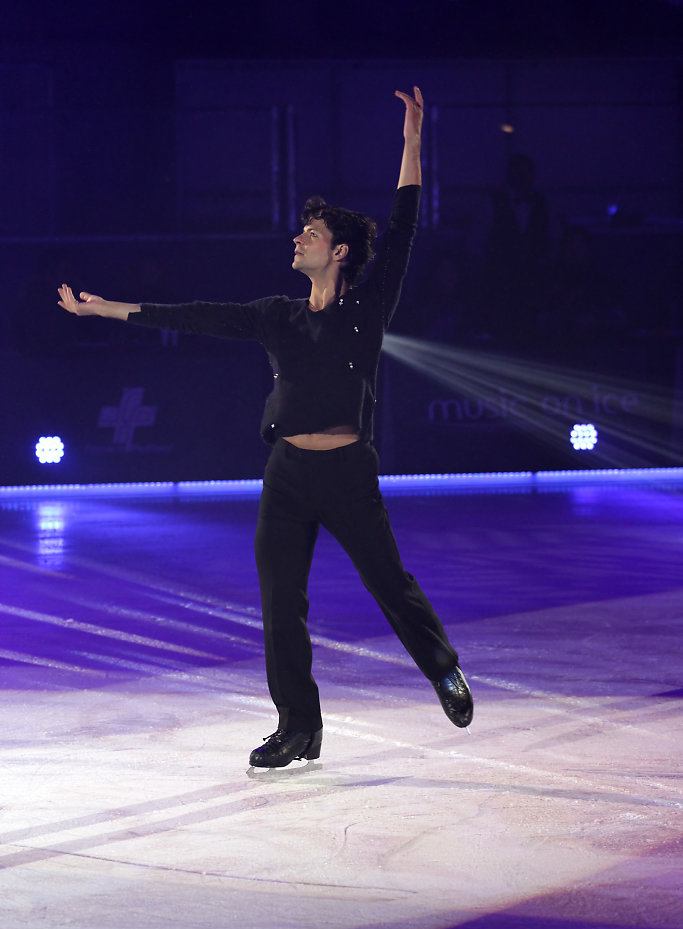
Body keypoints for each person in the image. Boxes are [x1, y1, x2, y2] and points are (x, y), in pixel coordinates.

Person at [58, 87, 473, 769]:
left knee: (388, 584)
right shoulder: (277, 314)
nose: (296, 239)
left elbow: (402, 226)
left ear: (338, 252)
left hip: (345, 472)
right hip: (286, 475)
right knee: (281, 605)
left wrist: (411, 139)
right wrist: (106, 310)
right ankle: (298, 728)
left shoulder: (367, 310)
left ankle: (442, 668)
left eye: (309, 235)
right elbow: (196, 314)